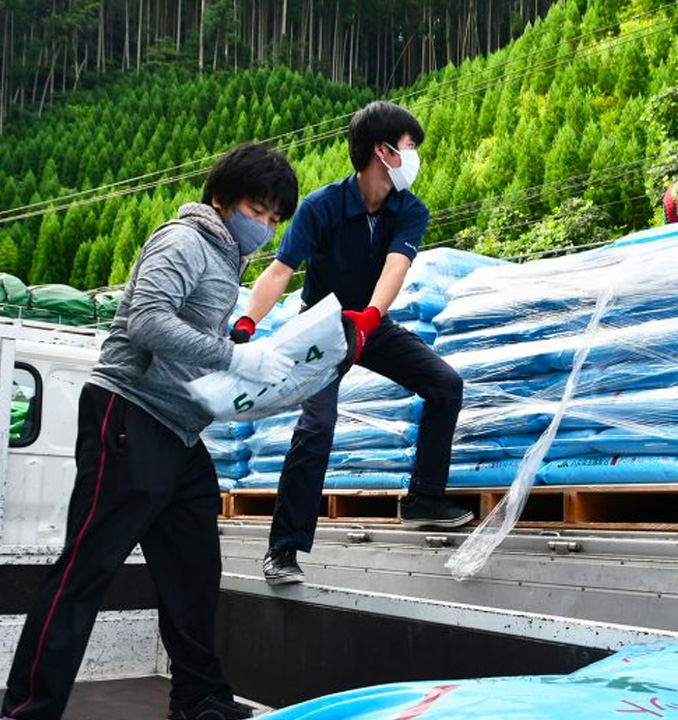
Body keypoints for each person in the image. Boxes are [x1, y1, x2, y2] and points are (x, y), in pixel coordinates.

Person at [1, 143, 299, 720]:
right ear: (222, 199)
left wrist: (246, 374)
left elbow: (196, 349)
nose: (262, 225)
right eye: (256, 210)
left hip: (181, 433)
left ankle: (199, 700)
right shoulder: (183, 240)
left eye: (272, 218)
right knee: (87, 568)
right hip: (129, 415)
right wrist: (233, 358)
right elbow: (148, 320)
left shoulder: (226, 257)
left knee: (193, 572)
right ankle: (27, 711)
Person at [233, 100, 469, 588]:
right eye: (409, 147)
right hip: (321, 327)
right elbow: (280, 270)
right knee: (317, 426)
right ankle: (284, 549)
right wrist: (247, 322)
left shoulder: (409, 210)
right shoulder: (322, 206)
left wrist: (370, 317)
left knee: (445, 384)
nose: (415, 155)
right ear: (382, 152)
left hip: (370, 321)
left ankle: (424, 497)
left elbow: (396, 267)